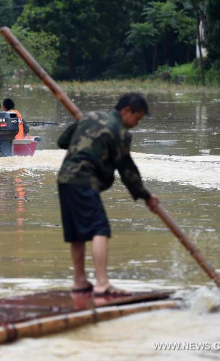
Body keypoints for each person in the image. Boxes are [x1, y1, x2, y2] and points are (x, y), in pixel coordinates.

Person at [57, 93, 159, 296]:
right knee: (100, 229)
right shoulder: (119, 132)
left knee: (77, 233)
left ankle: (79, 281)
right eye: (136, 118)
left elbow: (63, 141)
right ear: (126, 111)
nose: (136, 124)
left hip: (65, 179)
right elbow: (127, 169)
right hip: (84, 181)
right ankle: (102, 284)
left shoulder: (89, 117)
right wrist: (146, 196)